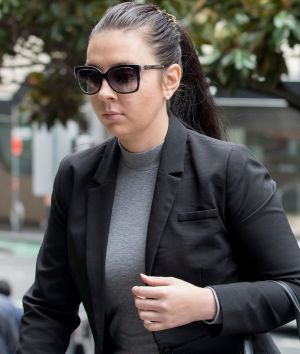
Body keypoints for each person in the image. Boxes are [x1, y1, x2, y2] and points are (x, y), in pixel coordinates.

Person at [17, 2, 300, 354]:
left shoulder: (227, 167)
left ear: (170, 80)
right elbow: (49, 306)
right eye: (93, 76)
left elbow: (292, 288)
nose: (105, 93)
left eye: (123, 75)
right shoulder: (77, 176)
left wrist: (207, 303)